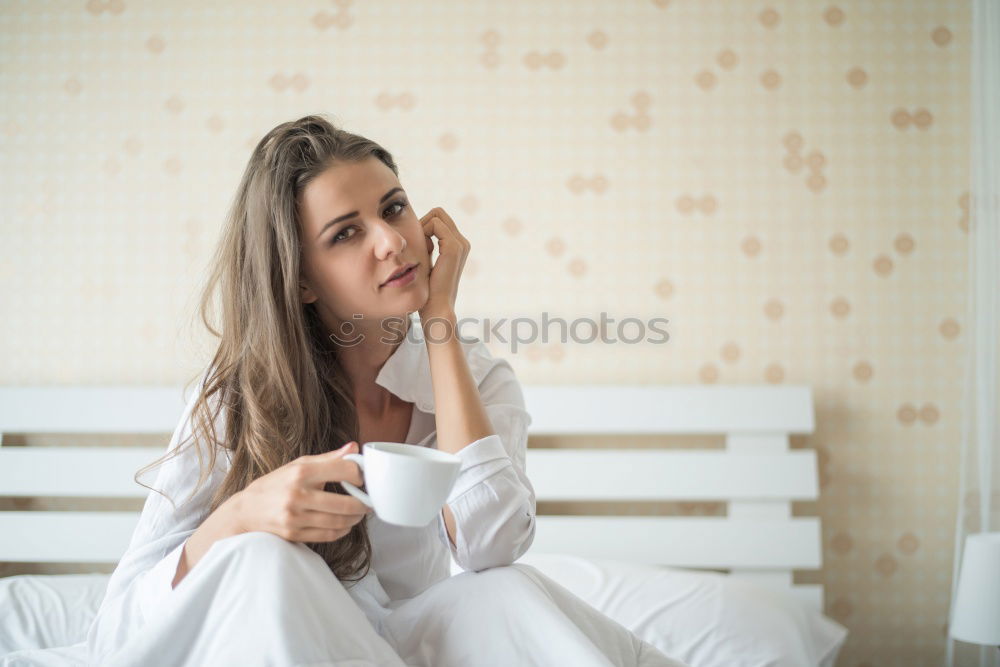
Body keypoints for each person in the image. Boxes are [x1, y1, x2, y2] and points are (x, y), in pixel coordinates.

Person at [3, 114, 687, 666]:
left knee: (504, 592)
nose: (393, 241)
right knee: (266, 558)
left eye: (395, 207)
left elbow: (491, 544)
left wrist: (439, 320)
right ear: (301, 280)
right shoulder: (240, 397)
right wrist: (242, 516)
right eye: (346, 233)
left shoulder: (473, 376)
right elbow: (121, 619)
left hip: (405, 645)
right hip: (283, 636)